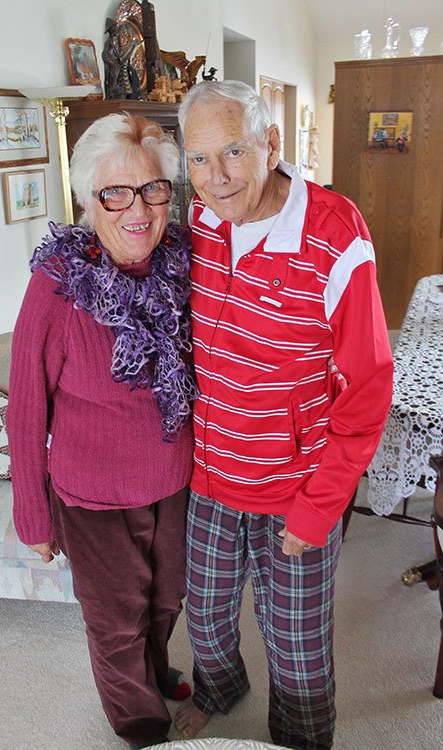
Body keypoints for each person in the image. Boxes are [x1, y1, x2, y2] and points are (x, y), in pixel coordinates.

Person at [174, 81, 394, 750]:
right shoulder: (201, 218)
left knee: (296, 647)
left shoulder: (334, 231)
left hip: (296, 488)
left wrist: (320, 506)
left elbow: (369, 385)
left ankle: (300, 738)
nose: (216, 178)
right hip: (212, 477)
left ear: (272, 144)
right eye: (198, 159)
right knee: (206, 620)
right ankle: (220, 690)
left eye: (234, 151)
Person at [6, 113, 198, 749]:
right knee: (115, 623)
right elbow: (27, 406)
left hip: (173, 479)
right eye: (116, 192)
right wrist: (33, 516)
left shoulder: (180, 265)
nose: (138, 209)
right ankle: (141, 727)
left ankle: (156, 668)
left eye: (153, 189)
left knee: (167, 600)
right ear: (89, 199)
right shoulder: (57, 284)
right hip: (91, 498)